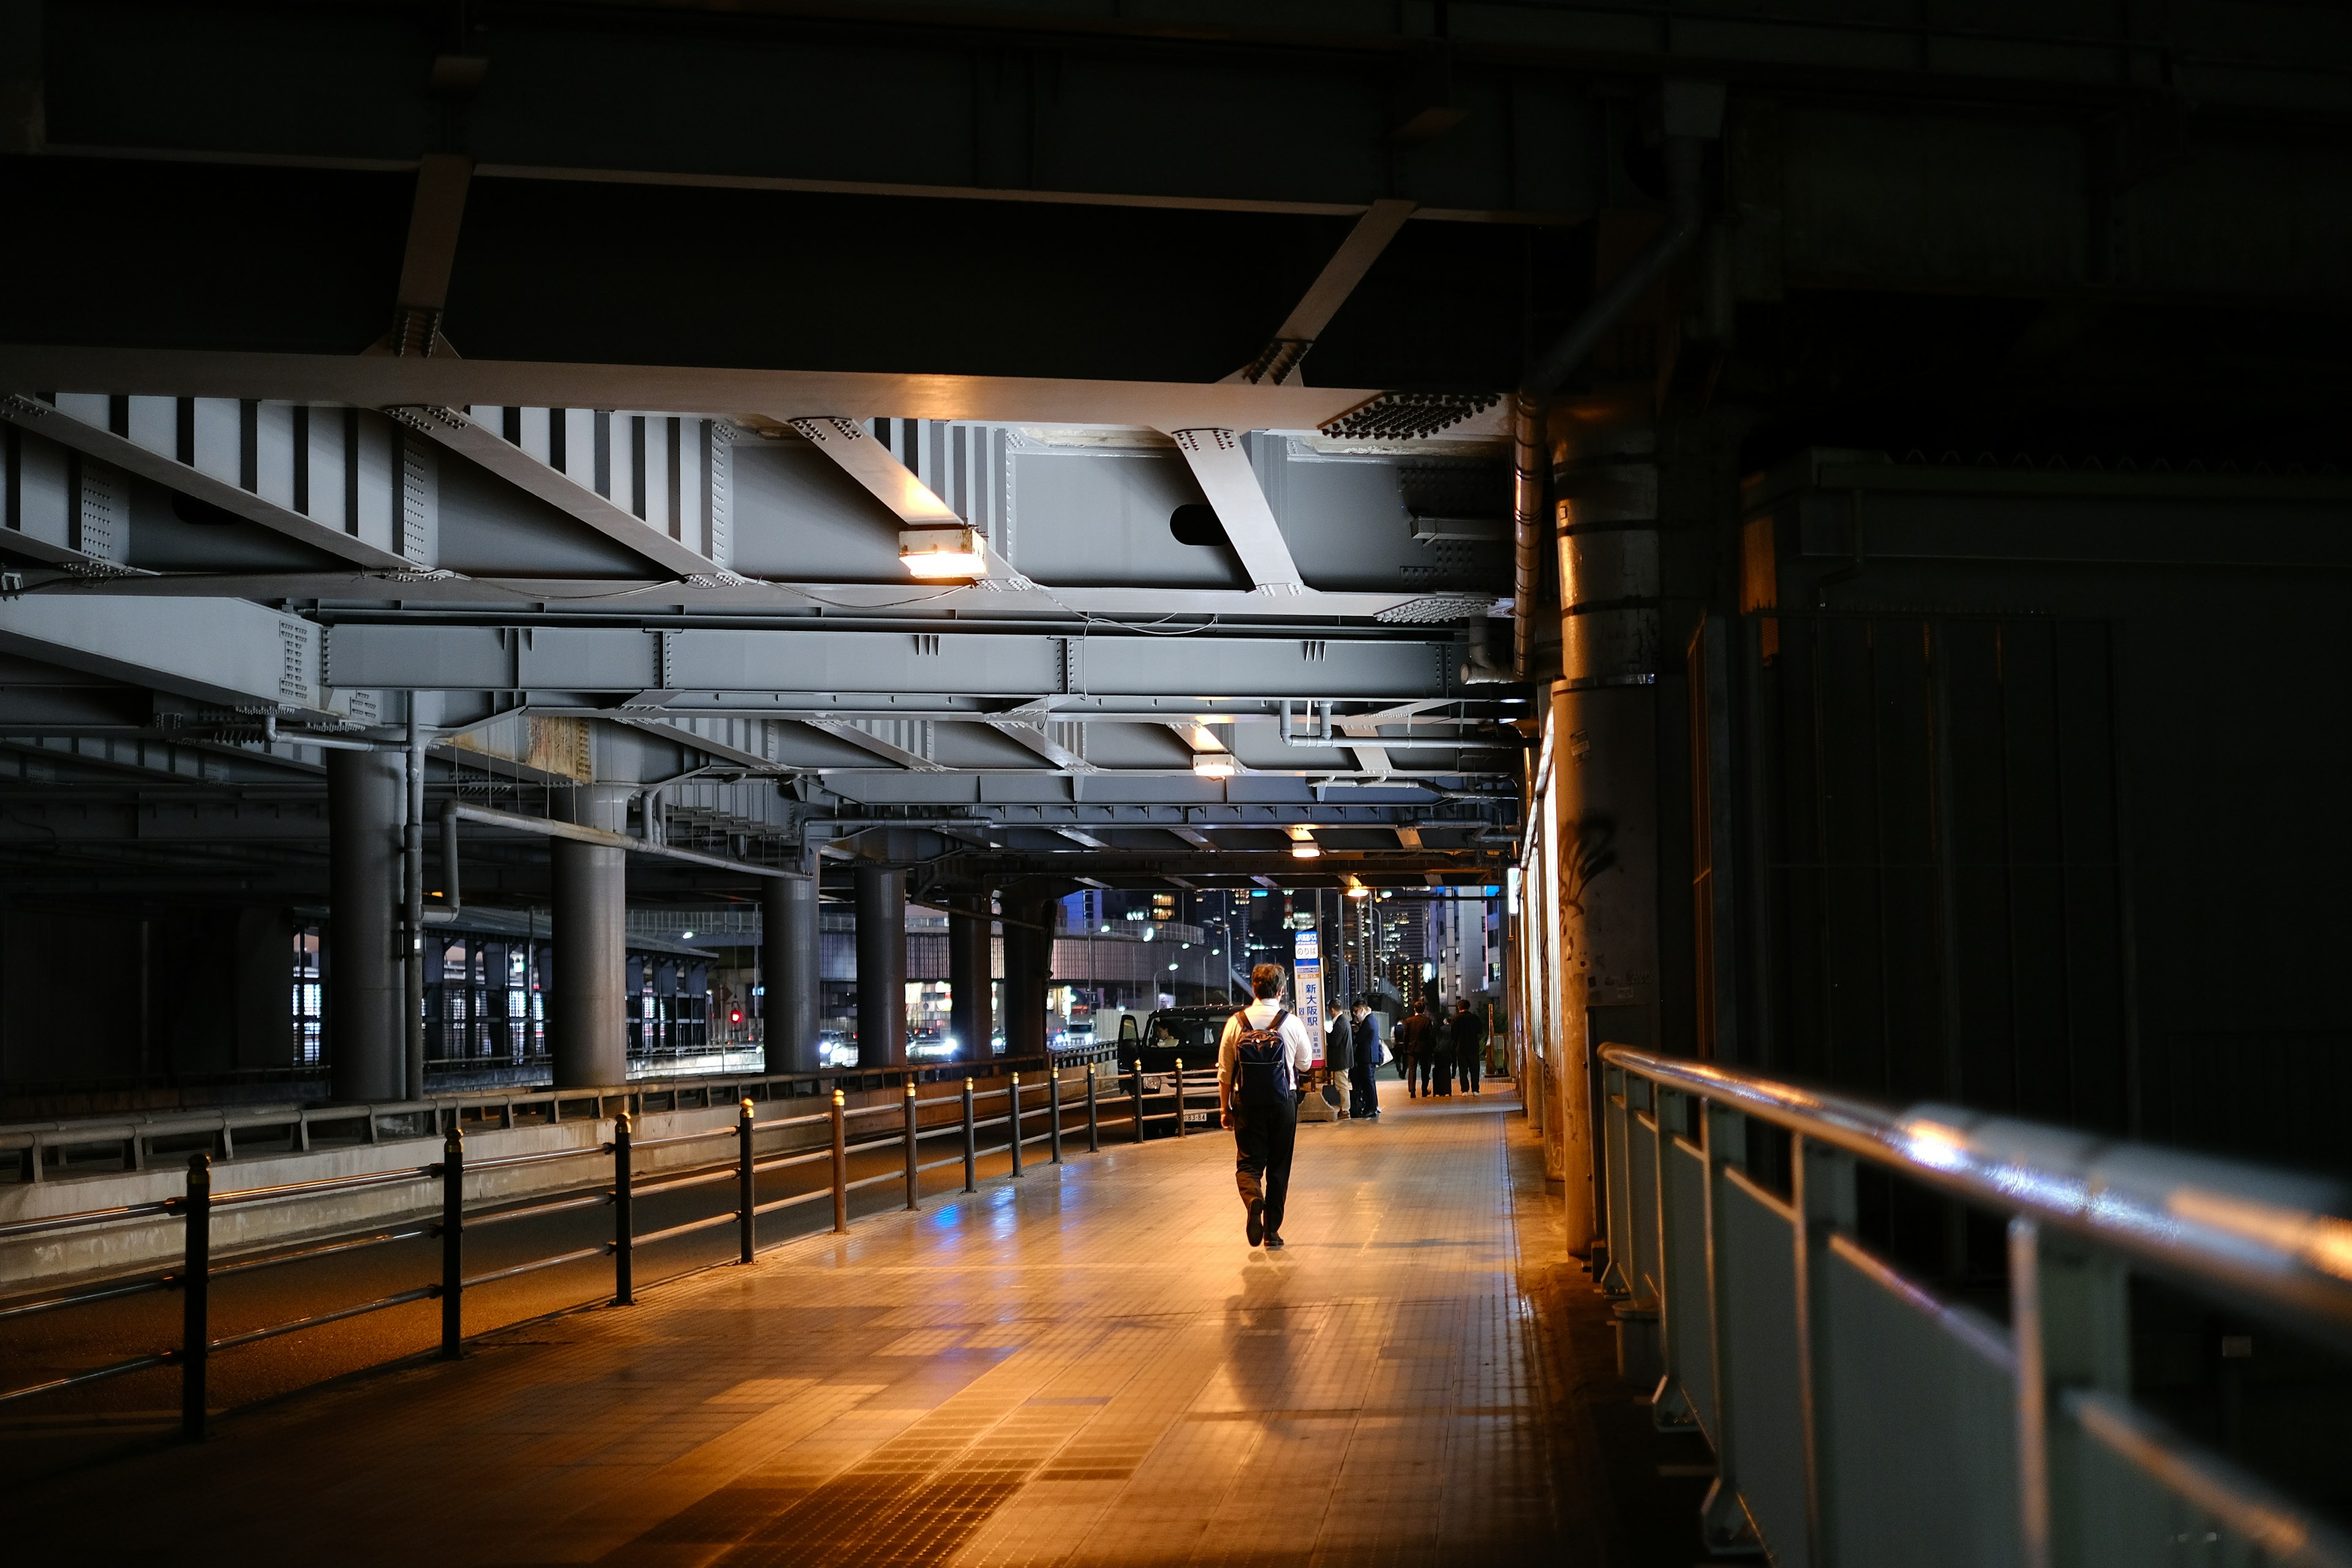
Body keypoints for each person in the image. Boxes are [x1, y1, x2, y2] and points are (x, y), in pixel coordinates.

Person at [1217, 963, 1316, 1250]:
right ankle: (1272, 1232)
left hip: (1247, 1103)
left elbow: (1225, 1071)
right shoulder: (1292, 1022)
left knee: (1248, 1163)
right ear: (1282, 990)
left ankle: (1253, 1200)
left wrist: (1225, 1109)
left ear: (1254, 989)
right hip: (1283, 1103)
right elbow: (1305, 1064)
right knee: (1279, 1167)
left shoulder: (1236, 1022)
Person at [1350, 998, 1382, 1119]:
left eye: (1356, 1012)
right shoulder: (1372, 1020)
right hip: (1370, 1056)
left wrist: (1357, 1033)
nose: (1356, 1015)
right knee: (1370, 1083)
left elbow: (1360, 1039)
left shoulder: (1368, 1022)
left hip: (1366, 1057)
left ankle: (1371, 1108)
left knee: (1368, 1083)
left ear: (1362, 1009)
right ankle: (1373, 1105)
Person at [1396, 1001, 1436, 1098]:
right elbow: (1432, 1036)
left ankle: (1412, 1090)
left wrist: (1406, 1048)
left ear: (1415, 1009)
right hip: (1425, 1048)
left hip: (1412, 1048)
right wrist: (1433, 1047)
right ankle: (1424, 1090)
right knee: (1425, 1069)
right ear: (1424, 1010)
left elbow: (1405, 1036)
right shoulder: (1427, 1021)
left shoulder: (1409, 1021)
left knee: (1412, 1069)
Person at [1324, 1004, 1353, 1121]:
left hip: (1341, 1061)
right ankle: (1345, 1109)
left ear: (1332, 1010)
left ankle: (1345, 1110)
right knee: (1342, 1085)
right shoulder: (1344, 1021)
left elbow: (1334, 1042)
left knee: (1342, 1086)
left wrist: (1325, 1033)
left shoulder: (1340, 1023)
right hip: (1344, 1060)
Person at [1452, 997, 1487, 1095]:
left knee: (1463, 1070)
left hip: (1461, 1046)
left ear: (1459, 1008)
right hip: (1473, 1046)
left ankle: (1465, 1090)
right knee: (1475, 1069)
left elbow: (1453, 1034)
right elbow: (1480, 1031)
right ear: (1469, 1007)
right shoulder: (1475, 1018)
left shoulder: (1455, 1019)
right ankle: (1475, 1090)